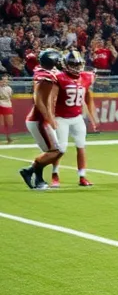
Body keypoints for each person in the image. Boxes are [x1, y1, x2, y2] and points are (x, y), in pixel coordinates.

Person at [19, 49, 66, 190]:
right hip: (39, 120)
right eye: (57, 60)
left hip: (40, 119)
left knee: (51, 153)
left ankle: (38, 180)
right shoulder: (45, 78)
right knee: (56, 151)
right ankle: (28, 171)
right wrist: (49, 118)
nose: (59, 62)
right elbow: (39, 101)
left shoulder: (44, 72)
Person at [48, 49, 96, 188]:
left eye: (78, 64)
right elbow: (52, 99)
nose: (76, 67)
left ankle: (82, 176)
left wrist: (91, 115)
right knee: (60, 149)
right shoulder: (60, 77)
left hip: (77, 118)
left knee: (81, 146)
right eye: (73, 64)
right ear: (66, 64)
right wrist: (51, 117)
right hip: (61, 118)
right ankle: (55, 174)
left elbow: (87, 96)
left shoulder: (87, 77)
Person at [0, 74, 12, 143]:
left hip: (7, 105)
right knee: (2, 123)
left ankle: (8, 137)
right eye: (2, 80)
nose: (4, 81)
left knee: (8, 123)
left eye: (5, 80)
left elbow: (10, 97)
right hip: (1, 105)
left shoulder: (9, 88)